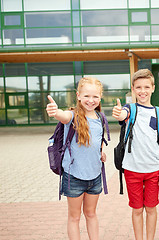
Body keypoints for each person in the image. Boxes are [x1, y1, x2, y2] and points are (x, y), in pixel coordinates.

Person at [46, 77, 108, 240]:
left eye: (95, 96)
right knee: (74, 217)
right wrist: (55, 112)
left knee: (91, 214)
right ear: (78, 95)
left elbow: (98, 140)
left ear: (100, 97)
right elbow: (63, 116)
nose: (91, 100)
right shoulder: (72, 116)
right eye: (86, 96)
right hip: (74, 177)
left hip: (95, 177)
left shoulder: (100, 118)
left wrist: (100, 152)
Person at [112, 69, 159, 240]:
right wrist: (119, 113)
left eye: (146, 87)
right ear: (133, 89)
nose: (142, 91)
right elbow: (123, 115)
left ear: (153, 88)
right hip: (132, 169)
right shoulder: (130, 109)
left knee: (151, 208)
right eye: (138, 87)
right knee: (137, 209)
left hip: (154, 170)